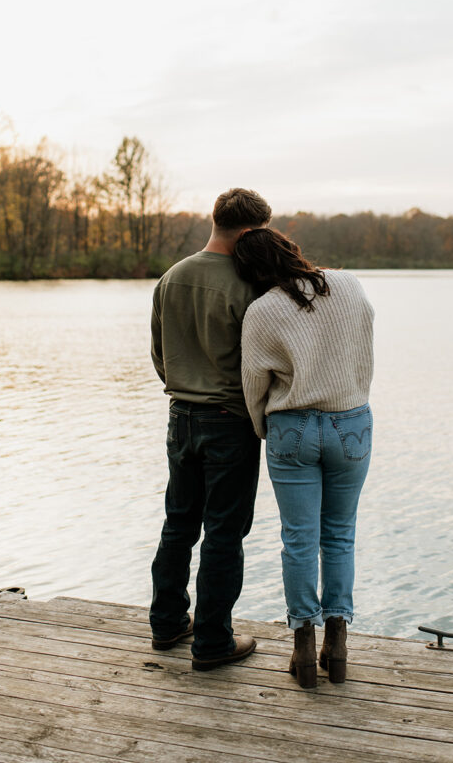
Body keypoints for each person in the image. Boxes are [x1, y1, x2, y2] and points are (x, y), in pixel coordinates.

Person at [232, 228, 374, 688]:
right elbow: (365, 342)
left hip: (290, 428)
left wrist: (264, 429)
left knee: (298, 540)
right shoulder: (348, 284)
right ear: (291, 250)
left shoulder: (261, 310)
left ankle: (304, 650)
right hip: (350, 420)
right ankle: (339, 647)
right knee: (340, 536)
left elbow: (253, 383)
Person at [149, 188, 272, 670]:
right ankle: (213, 643)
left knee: (178, 524)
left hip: (180, 418)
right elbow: (260, 364)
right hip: (229, 423)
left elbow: (160, 357)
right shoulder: (248, 284)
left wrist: (185, 386)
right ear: (250, 232)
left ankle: (167, 625)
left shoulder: (171, 277)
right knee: (224, 532)